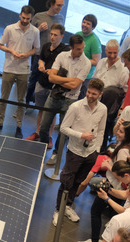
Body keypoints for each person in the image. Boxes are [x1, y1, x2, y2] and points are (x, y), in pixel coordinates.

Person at [52, 78, 107, 226]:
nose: (90, 96)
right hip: (75, 151)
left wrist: (96, 149)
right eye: (89, 92)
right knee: (66, 182)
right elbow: (64, 128)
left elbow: (101, 131)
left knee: (78, 182)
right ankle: (58, 210)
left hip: (90, 153)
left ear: (100, 94)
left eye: (94, 94)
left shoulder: (103, 109)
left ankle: (68, 206)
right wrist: (81, 135)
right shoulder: (75, 107)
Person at [37, 34, 91, 165]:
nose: (81, 51)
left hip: (71, 100)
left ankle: (56, 153)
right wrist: (70, 79)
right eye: (78, 49)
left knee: (63, 130)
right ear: (71, 47)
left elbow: (75, 86)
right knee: (44, 126)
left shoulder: (86, 63)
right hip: (54, 95)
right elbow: (51, 78)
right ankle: (43, 148)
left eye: (82, 48)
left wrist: (60, 79)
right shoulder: (61, 56)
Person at [0, 5, 40, 139]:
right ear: (20, 15)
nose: (25, 20)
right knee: (3, 98)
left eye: (28, 19)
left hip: (24, 70)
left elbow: (36, 49)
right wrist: (11, 51)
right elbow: (0, 45)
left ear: (31, 18)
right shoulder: (9, 29)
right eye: (23, 17)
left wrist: (26, 54)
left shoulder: (35, 31)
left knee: (21, 100)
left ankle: (19, 126)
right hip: (9, 68)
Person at [25, 23, 69, 143]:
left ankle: (48, 136)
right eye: (51, 34)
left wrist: (53, 72)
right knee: (40, 110)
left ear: (61, 36)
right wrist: (40, 64)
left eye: (55, 35)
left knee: (51, 113)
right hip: (41, 83)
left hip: (54, 87)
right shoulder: (45, 46)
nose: (52, 37)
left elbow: (65, 67)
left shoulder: (65, 51)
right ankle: (38, 132)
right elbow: (41, 58)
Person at [25, 0, 65, 106]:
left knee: (48, 81)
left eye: (62, 6)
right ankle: (26, 103)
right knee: (33, 79)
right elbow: (29, 35)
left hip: (53, 56)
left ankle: (42, 105)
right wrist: (39, 29)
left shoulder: (60, 18)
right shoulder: (39, 16)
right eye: (59, 5)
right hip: (39, 54)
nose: (60, 8)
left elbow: (61, 35)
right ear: (51, 4)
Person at [92, 39, 129, 150]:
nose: (112, 56)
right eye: (110, 53)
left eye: (115, 53)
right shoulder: (101, 62)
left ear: (118, 52)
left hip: (110, 105)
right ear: (105, 50)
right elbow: (94, 79)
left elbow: (125, 91)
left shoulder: (123, 69)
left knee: (103, 130)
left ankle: (100, 151)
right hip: (95, 100)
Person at [75, 14, 102, 96]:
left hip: (86, 77)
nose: (84, 25)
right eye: (84, 22)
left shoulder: (94, 40)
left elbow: (96, 61)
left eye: (88, 24)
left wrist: (81, 60)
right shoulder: (77, 34)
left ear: (93, 27)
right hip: (74, 72)